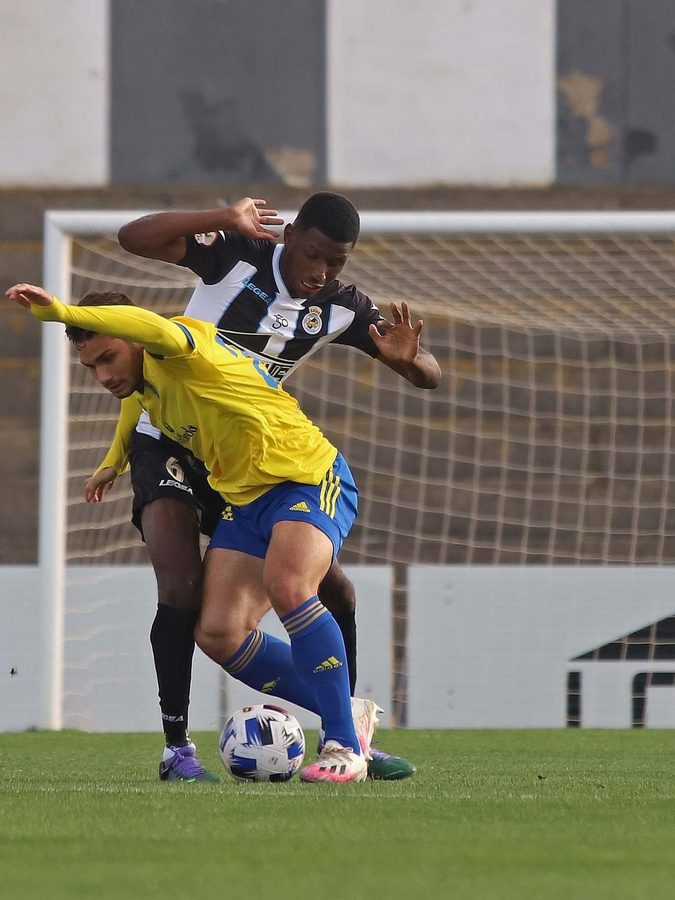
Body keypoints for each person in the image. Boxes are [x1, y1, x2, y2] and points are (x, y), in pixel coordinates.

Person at [86, 192, 440, 780]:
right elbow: (134, 237)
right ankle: (178, 749)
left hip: (243, 457)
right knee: (179, 587)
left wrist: (409, 363)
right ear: (291, 234)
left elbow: (429, 371)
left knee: (336, 593)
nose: (321, 273)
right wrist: (222, 216)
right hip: (168, 439)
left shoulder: (343, 306)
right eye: (315, 256)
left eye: (337, 263)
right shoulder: (235, 254)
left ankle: (346, 733)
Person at [11, 281, 381, 783]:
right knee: (218, 632)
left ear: (135, 337)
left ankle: (341, 743)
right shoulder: (145, 380)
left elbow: (150, 328)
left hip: (307, 476)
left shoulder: (183, 343)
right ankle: (347, 709)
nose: (102, 376)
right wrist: (113, 462)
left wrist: (58, 310)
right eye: (91, 367)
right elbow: (136, 403)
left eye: (108, 357)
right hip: (246, 501)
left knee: (290, 586)